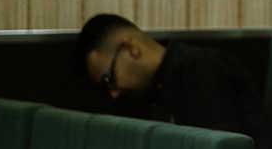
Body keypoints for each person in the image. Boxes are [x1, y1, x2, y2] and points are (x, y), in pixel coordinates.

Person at [75, 13, 260, 138]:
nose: (113, 93)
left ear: (131, 48)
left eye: (109, 79)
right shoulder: (156, 89)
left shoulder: (201, 69)